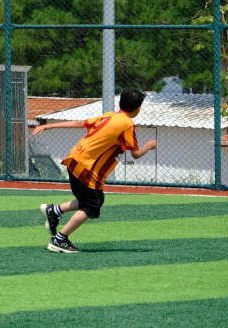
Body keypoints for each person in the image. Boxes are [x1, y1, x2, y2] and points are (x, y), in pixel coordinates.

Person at [31, 89, 158, 253]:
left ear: (120, 104)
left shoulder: (108, 115)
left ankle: (54, 211)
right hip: (87, 167)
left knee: (94, 199)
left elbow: (79, 124)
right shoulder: (127, 124)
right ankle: (59, 239)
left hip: (75, 160)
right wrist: (149, 146)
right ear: (138, 109)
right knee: (91, 206)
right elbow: (136, 154)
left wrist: (49, 126)